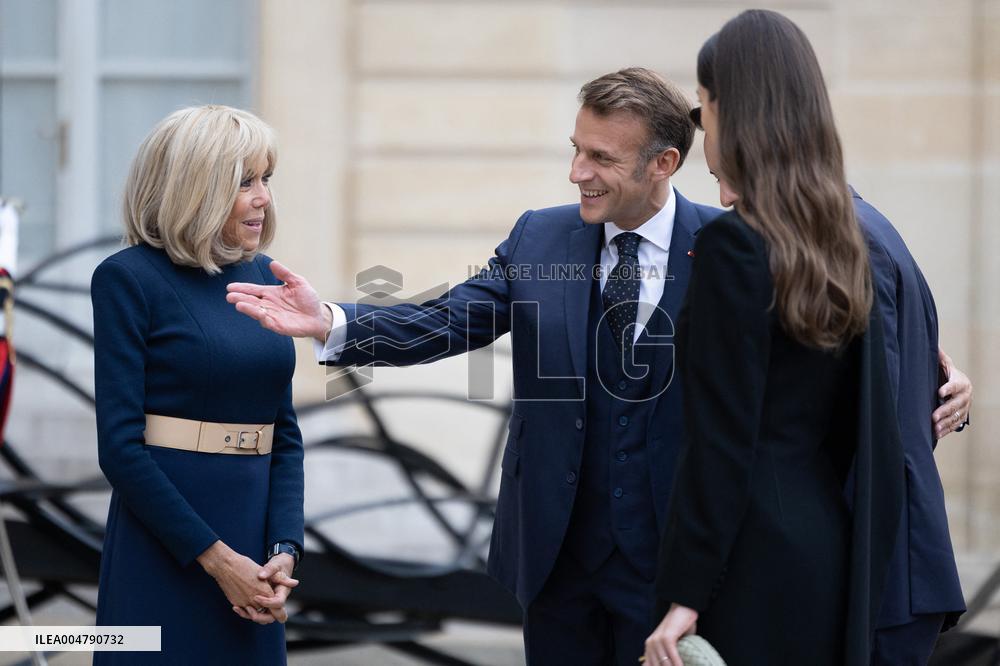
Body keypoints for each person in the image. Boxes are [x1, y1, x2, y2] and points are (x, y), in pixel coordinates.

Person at [227, 68, 722, 664]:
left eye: (601, 158)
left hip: (675, 567)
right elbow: (448, 320)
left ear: (663, 163)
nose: (577, 173)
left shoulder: (730, 247)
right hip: (557, 562)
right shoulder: (541, 236)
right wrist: (331, 321)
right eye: (576, 149)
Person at [693, 18, 971, 666]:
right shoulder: (851, 229)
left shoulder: (846, 243)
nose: (724, 196)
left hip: (877, 577)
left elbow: (877, 428)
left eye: (702, 106)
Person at [644, 10, 909, 665]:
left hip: (748, 561)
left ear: (733, 111)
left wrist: (684, 595)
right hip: (823, 548)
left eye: (703, 106)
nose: (702, 128)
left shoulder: (734, 247)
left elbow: (722, 443)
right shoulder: (841, 244)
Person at [91, 105, 304, 664]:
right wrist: (217, 560)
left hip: (254, 542)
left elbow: (284, 434)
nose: (264, 198)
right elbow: (120, 449)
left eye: (266, 179)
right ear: (196, 188)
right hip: (168, 538)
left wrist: (284, 548)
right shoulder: (127, 279)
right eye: (244, 182)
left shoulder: (266, 277)